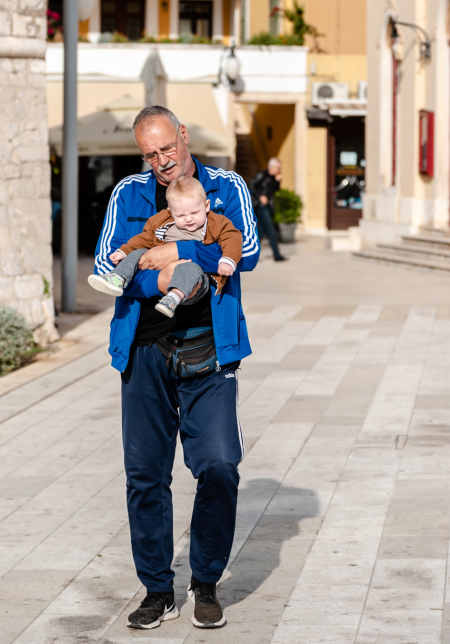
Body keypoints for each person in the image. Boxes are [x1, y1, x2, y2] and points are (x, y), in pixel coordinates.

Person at [93, 106, 259, 630]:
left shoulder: (226, 186)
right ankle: (157, 589)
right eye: (151, 154)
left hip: (209, 348)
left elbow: (247, 251)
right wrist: (163, 279)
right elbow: (105, 267)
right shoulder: (129, 194)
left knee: (218, 465)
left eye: (168, 148)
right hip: (143, 351)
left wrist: (177, 252)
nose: (163, 161)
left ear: (184, 137)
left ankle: (206, 580)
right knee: (145, 476)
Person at [87, 175, 242, 317]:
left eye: (195, 213)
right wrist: (124, 251)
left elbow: (232, 237)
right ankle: (118, 278)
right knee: (139, 252)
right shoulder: (161, 222)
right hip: (161, 269)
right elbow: (144, 238)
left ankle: (173, 297)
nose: (189, 219)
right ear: (170, 212)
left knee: (190, 269)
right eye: (181, 215)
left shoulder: (216, 222)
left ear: (207, 206)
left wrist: (228, 259)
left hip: (195, 281)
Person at [248, 158, 287, 262]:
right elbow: (251, 184)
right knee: (270, 229)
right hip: (260, 206)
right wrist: (260, 196)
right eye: (278, 168)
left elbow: (275, 191)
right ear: (272, 167)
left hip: (267, 206)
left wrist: (278, 181)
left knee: (260, 232)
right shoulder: (262, 175)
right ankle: (277, 254)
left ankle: (250, 254)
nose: (279, 170)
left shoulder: (274, 178)